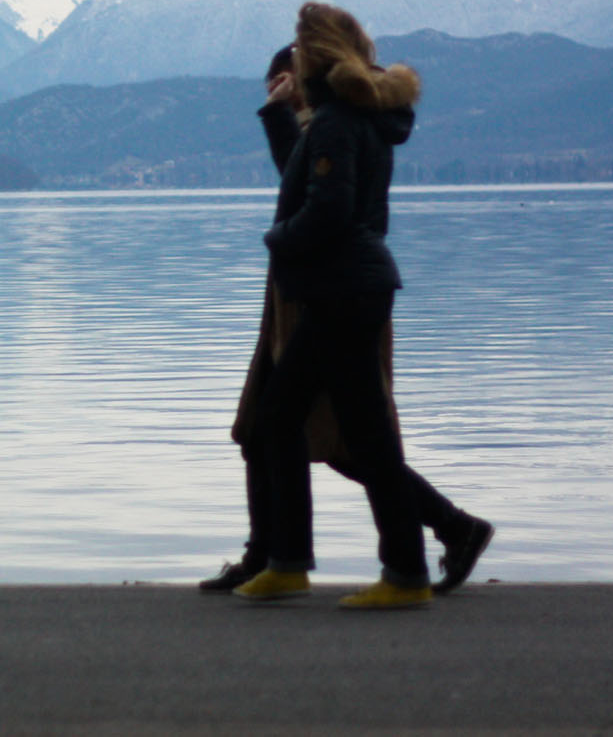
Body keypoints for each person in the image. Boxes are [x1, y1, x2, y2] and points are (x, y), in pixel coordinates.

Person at [200, 46, 492, 597]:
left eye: (282, 84)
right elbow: (302, 177)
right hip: (310, 292)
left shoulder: (341, 122)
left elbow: (321, 202)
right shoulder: (339, 122)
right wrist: (280, 117)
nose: (276, 92)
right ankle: (278, 554)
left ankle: (290, 558)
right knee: (290, 430)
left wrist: (278, 238)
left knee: (325, 434)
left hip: (323, 293)